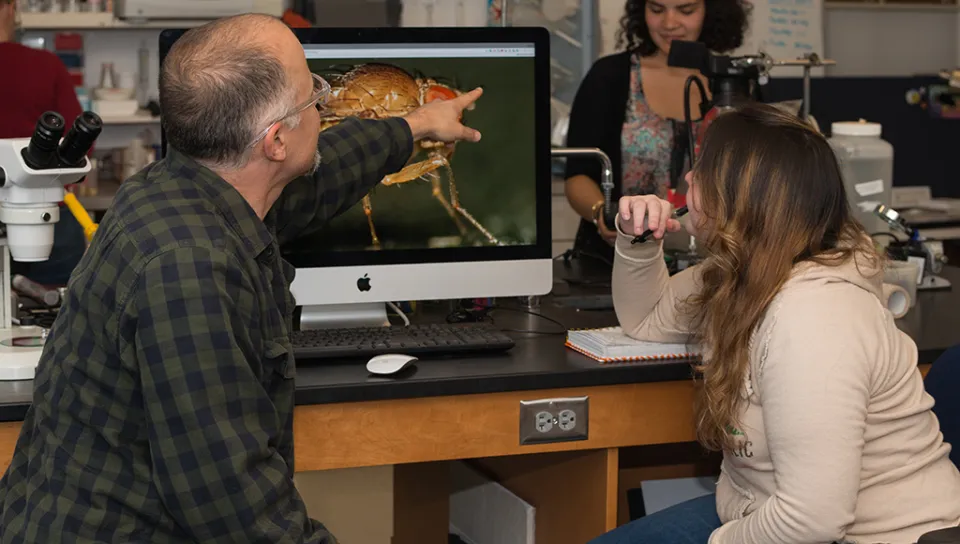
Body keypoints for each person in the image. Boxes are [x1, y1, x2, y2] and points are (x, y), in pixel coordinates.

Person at [0, 13, 482, 543]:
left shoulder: (180, 187)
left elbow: (322, 177)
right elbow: (240, 511)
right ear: (276, 141)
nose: (324, 106)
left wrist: (416, 126)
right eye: (314, 96)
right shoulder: (190, 268)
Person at [591, 103, 960, 544]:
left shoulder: (814, 319)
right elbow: (647, 319)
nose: (689, 178)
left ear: (740, 198)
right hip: (763, 510)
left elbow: (813, 520)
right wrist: (638, 239)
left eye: (703, 168)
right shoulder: (745, 274)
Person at [563, 0, 748, 264]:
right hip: (617, 262)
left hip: (715, 266)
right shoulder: (609, 77)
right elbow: (578, 174)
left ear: (712, 11)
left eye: (686, 10)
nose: (669, 23)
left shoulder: (735, 81)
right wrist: (602, 213)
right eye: (657, 9)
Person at [0, 0, 87, 285]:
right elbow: (80, 141)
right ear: (11, 8)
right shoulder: (45, 64)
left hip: (46, 217)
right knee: (62, 315)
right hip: (50, 217)